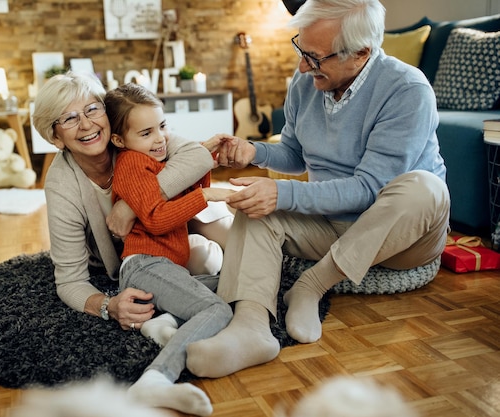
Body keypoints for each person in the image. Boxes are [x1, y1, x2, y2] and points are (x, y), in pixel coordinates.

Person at [186, 0, 450, 378]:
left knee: (424, 187)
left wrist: (283, 194)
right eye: (301, 49)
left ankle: (312, 284)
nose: (301, 66)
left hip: (400, 236)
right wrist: (253, 151)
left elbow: (369, 189)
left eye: (314, 57)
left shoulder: (406, 90)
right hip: (330, 223)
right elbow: (295, 153)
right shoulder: (306, 82)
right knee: (256, 209)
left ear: (361, 53)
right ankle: (250, 327)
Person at [32, 71, 232, 333]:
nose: (86, 124)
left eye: (92, 109)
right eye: (70, 118)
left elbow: (196, 157)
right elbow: (70, 282)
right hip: (137, 256)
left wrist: (129, 206)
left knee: (240, 238)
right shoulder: (61, 185)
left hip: (180, 223)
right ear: (56, 138)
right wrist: (107, 305)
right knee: (198, 267)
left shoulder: (137, 133)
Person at [103, 83, 235, 416]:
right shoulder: (132, 163)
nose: (160, 138)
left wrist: (206, 158)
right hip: (144, 266)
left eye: (162, 126)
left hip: (164, 268)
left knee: (237, 284)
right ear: (120, 141)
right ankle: (154, 381)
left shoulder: (154, 160)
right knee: (218, 310)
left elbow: (186, 188)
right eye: (146, 132)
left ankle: (161, 321)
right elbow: (157, 219)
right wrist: (205, 197)